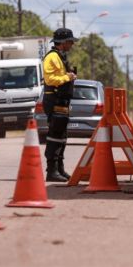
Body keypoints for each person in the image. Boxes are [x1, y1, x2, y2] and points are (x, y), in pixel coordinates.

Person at [43, 28, 77, 182]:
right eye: (70, 42)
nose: (72, 44)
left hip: (62, 100)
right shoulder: (52, 57)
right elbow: (50, 80)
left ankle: (59, 169)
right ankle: (51, 171)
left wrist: (69, 77)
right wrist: (67, 77)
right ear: (62, 43)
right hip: (53, 99)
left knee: (62, 136)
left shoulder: (61, 56)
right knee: (55, 135)